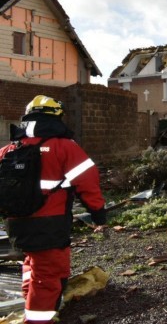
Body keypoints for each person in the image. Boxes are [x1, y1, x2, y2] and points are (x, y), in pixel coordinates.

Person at [0, 95, 106, 324]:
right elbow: (88, 183)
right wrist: (98, 214)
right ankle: (38, 319)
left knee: (31, 264)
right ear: (57, 117)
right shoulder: (65, 147)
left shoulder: (9, 149)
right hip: (50, 224)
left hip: (16, 223)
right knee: (48, 276)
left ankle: (31, 307)